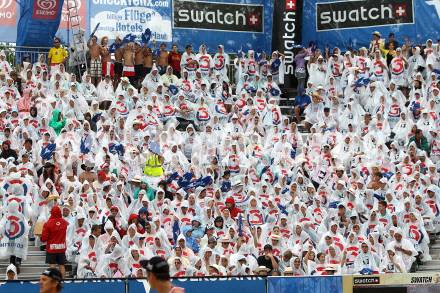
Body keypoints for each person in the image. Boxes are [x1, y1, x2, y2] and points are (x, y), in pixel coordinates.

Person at [41, 206, 69, 278]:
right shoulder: (64, 222)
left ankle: (53, 282)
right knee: (62, 266)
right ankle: (63, 282)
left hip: (52, 248)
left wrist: (40, 238)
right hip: (61, 247)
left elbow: (44, 238)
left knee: (52, 266)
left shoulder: (48, 223)